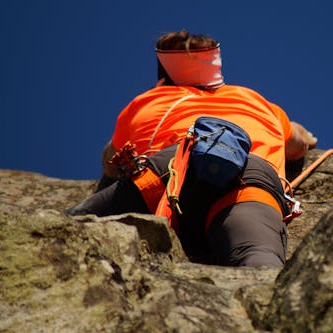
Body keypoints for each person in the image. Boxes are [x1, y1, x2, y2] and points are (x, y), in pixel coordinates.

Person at [67, 30, 317, 267]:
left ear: (162, 79)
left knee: (71, 228)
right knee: (259, 258)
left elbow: (111, 162)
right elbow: (299, 144)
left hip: (173, 168)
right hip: (250, 174)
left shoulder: (147, 102)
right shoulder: (254, 100)